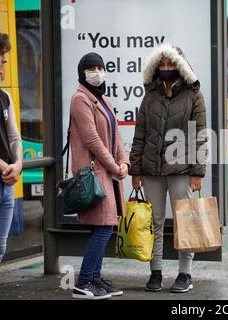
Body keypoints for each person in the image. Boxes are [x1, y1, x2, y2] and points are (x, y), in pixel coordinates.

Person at [129, 45, 207, 293]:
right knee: (154, 222)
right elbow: (140, 133)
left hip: (182, 169)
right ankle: (156, 272)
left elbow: (200, 135)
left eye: (170, 64)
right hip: (152, 169)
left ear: (180, 65)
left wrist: (197, 171)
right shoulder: (150, 94)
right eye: (161, 65)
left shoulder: (193, 95)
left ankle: (185, 274)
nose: (165, 69)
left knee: (186, 220)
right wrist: (135, 169)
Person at [69, 53, 129, 299]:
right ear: (82, 72)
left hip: (109, 171)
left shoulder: (103, 98)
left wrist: (124, 161)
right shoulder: (80, 99)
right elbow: (92, 139)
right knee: (103, 228)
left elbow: (116, 133)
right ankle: (84, 282)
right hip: (96, 172)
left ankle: (94, 279)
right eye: (91, 68)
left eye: (99, 67)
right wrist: (116, 167)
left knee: (104, 227)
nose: (96, 72)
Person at [0, 32, 22, 281]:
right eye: (0, 53)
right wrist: (8, 168)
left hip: (5, 186)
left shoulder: (4, 97)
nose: (4, 59)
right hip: (2, 178)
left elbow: (14, 135)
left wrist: (19, 164)